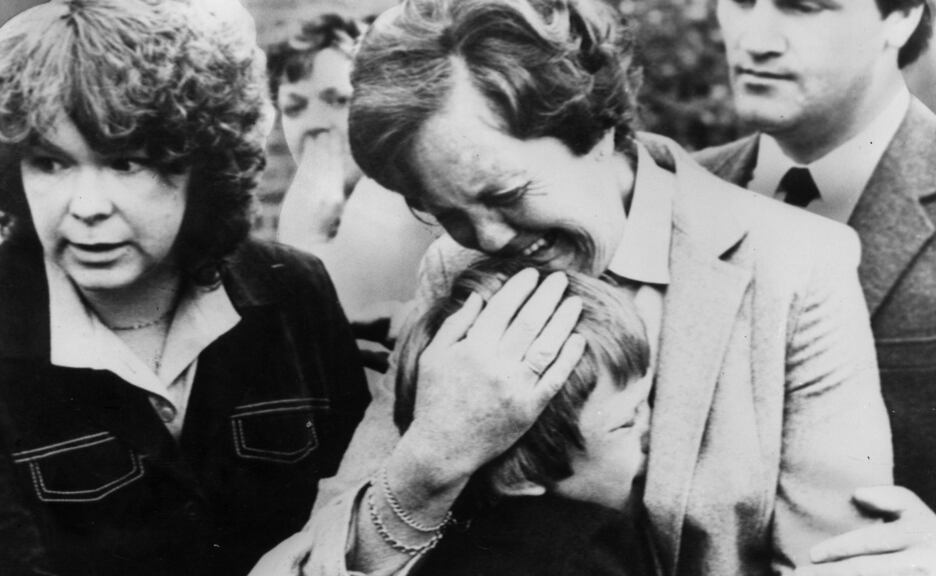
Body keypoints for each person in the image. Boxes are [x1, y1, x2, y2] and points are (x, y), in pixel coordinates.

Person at [252, 1, 892, 575]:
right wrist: (433, 456)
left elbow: (840, 560)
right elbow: (306, 563)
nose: (488, 239)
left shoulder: (794, 266)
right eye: (443, 212)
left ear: (600, 129)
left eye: (506, 194)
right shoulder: (455, 266)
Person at [0, 1, 369, 575]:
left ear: (200, 163)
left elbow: (360, 517)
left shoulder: (295, 292)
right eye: (50, 163)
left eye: (125, 162)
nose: (86, 207)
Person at [695, 0, 936, 572]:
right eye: (741, 2)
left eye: (803, 7)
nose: (756, 39)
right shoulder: (674, 191)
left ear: (901, 16)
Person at [394, 258, 656, 576]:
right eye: (627, 423)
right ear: (519, 476)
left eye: (645, 405)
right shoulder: (588, 554)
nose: (654, 433)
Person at [267, 12, 438, 366]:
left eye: (338, 100)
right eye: (294, 107)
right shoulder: (308, 210)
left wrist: (303, 241)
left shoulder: (422, 208)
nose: (315, 123)